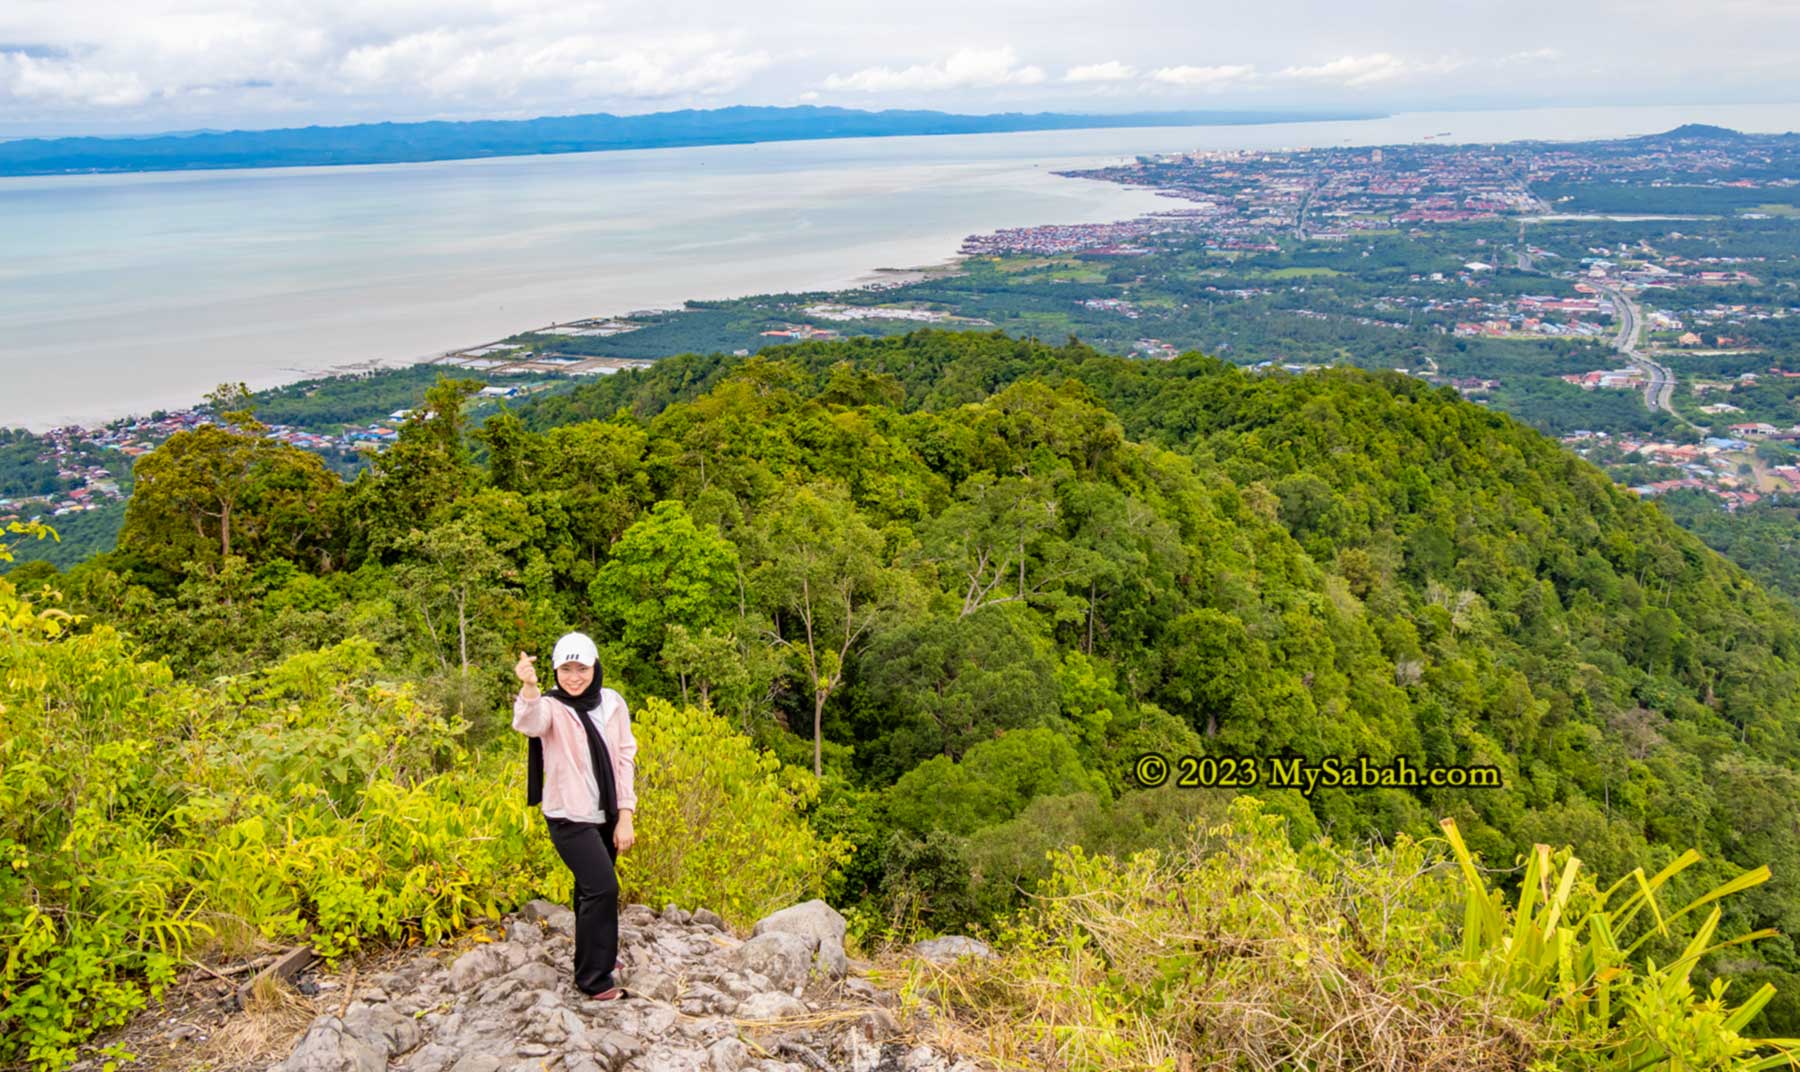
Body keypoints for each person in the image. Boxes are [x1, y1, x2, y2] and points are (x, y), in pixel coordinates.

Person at [512, 631, 638, 1000]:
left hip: (607, 812)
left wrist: (626, 814)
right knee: (603, 887)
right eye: (565, 669)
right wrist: (531, 687)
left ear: (595, 667)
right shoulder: (552, 706)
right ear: (554, 671)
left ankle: (599, 955)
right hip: (568, 815)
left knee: (588, 892)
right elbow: (529, 723)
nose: (574, 677)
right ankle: (593, 980)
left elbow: (624, 757)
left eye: (581, 668)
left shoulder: (612, 702)